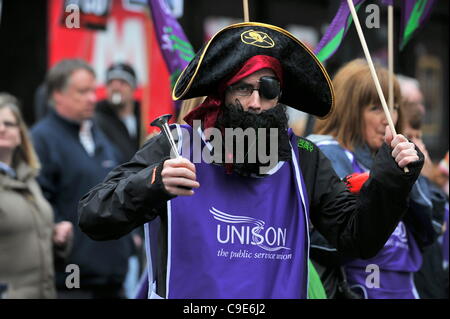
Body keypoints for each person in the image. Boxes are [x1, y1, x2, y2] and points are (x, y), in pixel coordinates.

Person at [78, 23, 423, 299]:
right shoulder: (178, 145)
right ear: (222, 93)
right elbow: (93, 216)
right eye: (243, 89)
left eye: (268, 89)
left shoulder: (302, 157)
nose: (256, 102)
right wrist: (153, 183)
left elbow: (357, 238)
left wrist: (391, 180)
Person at [309, 59, 435, 299]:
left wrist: (411, 174)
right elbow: (333, 237)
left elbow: (430, 229)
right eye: (376, 108)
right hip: (358, 286)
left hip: (404, 285)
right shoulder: (325, 151)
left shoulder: (389, 155)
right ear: (350, 109)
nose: (389, 118)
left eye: (394, 107)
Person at [31, 59, 134, 299]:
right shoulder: (41, 140)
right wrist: (56, 228)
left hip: (113, 278)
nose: (92, 98)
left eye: (92, 90)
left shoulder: (99, 135)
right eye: (82, 92)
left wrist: (132, 239)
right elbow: (36, 200)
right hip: (72, 283)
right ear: (58, 94)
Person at [0, 93, 73, 299]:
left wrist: (56, 239)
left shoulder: (29, 179)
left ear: (20, 134)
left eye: (9, 123)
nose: (2, 129)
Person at [396, 75, 448, 299]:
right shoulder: (399, 183)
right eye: (410, 137)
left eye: (419, 137)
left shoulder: (433, 180)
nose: (418, 145)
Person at [95, 62, 142, 163]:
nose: (115, 88)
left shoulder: (145, 115)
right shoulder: (96, 118)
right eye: (110, 83)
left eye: (123, 82)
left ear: (133, 87)